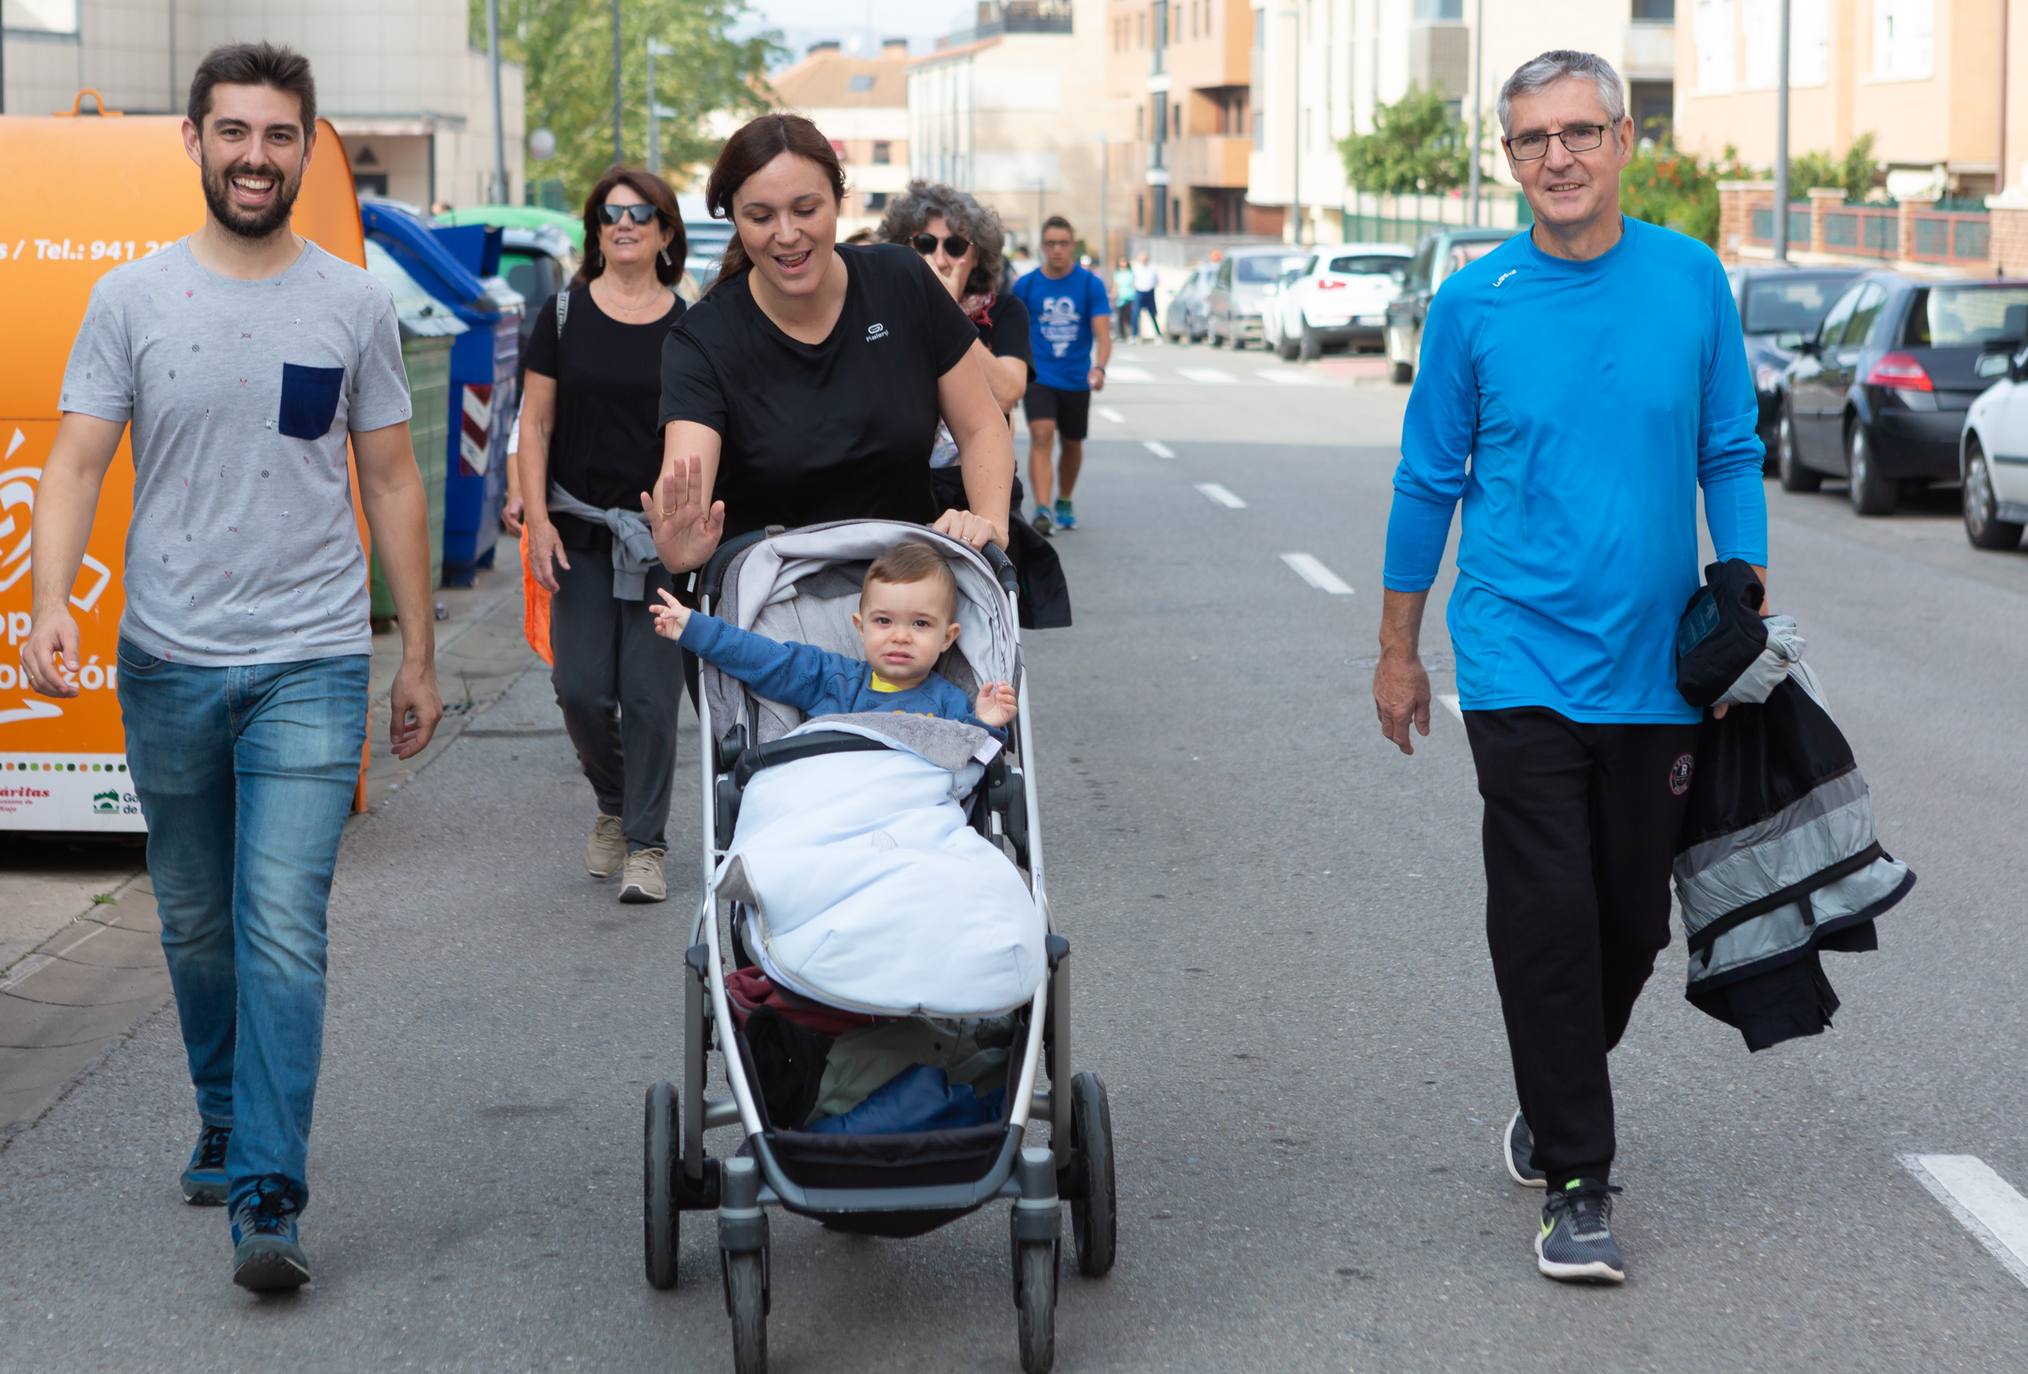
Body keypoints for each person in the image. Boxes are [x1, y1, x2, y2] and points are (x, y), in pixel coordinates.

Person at [19, 42, 444, 1291]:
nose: (256, 155)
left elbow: (392, 479)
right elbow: (80, 461)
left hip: (310, 658)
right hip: (167, 662)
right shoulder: (132, 299)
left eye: (278, 135)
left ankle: (267, 1191)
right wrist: (49, 602)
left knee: (282, 926)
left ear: (307, 150)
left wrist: (416, 653)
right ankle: (221, 1110)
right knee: (198, 918)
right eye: (233, 132)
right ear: (195, 142)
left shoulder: (353, 300)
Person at [1370, 50, 1767, 1286]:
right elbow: (1427, 478)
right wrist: (1399, 652)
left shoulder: (1691, 280)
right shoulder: (1474, 303)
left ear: (1625, 141)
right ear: (1509, 158)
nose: (1558, 157)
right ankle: (1580, 1180)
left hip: (1660, 668)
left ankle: (1553, 1096)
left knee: (1630, 923)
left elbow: (1731, 448)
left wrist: (1743, 583)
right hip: (1514, 658)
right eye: (1532, 139)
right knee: (1545, 914)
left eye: (1580, 133)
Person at [648, 113, 1012, 584]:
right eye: (760, 217)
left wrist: (989, 522)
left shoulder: (901, 280)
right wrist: (680, 544)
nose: (786, 233)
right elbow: (686, 486)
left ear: (838, 202)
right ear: (734, 219)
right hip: (774, 622)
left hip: (906, 603)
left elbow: (982, 424)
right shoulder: (703, 339)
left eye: (806, 209)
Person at [518, 167, 689, 904]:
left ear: (665, 232)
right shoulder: (561, 316)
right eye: (610, 214)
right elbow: (536, 424)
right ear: (596, 231)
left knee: (650, 699)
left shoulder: (693, 326)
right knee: (581, 689)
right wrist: (536, 521)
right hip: (580, 533)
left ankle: (647, 843)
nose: (624, 224)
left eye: (640, 213)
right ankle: (614, 803)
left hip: (663, 542)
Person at [878, 181, 1072, 630]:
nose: (940, 257)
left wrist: (945, 313)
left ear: (976, 254)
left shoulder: (1004, 312)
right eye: (924, 243)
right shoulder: (884, 312)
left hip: (976, 492)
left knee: (977, 634)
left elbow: (1008, 389)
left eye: (955, 245)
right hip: (904, 492)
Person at [650, 541, 1015, 733]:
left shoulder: (951, 704)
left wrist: (985, 724)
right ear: (860, 626)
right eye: (884, 621)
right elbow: (764, 659)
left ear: (948, 637)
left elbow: (971, 765)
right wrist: (695, 627)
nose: (901, 637)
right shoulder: (832, 680)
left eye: (920, 625)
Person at [1009, 216, 1111, 537]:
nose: (1057, 250)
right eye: (1051, 243)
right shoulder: (1025, 286)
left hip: (1076, 377)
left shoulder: (1089, 284)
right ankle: (1042, 507)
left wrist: (1099, 367)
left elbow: (1103, 334)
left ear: (1072, 245)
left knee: (1071, 443)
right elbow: (1012, 331)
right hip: (1039, 375)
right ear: (1042, 246)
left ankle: (1064, 498)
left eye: (1063, 243)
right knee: (1041, 434)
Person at [1131, 251, 1161, 342]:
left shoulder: (1152, 269)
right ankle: (1134, 335)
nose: (1143, 260)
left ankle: (1158, 335)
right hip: (1139, 292)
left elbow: (1156, 281)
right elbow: (1133, 280)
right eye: (1142, 259)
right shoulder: (1136, 269)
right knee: (1135, 314)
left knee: (1152, 314)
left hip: (1149, 292)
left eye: (1145, 259)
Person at [1112, 257, 1137, 337]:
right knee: (1119, 316)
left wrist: (1135, 295)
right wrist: (1113, 295)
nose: (1123, 263)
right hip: (1120, 298)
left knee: (1128, 317)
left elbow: (1133, 285)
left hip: (1129, 297)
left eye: (1124, 261)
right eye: (1121, 262)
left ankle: (1130, 334)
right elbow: (1115, 286)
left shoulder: (1130, 273)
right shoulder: (1117, 274)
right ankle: (1121, 334)